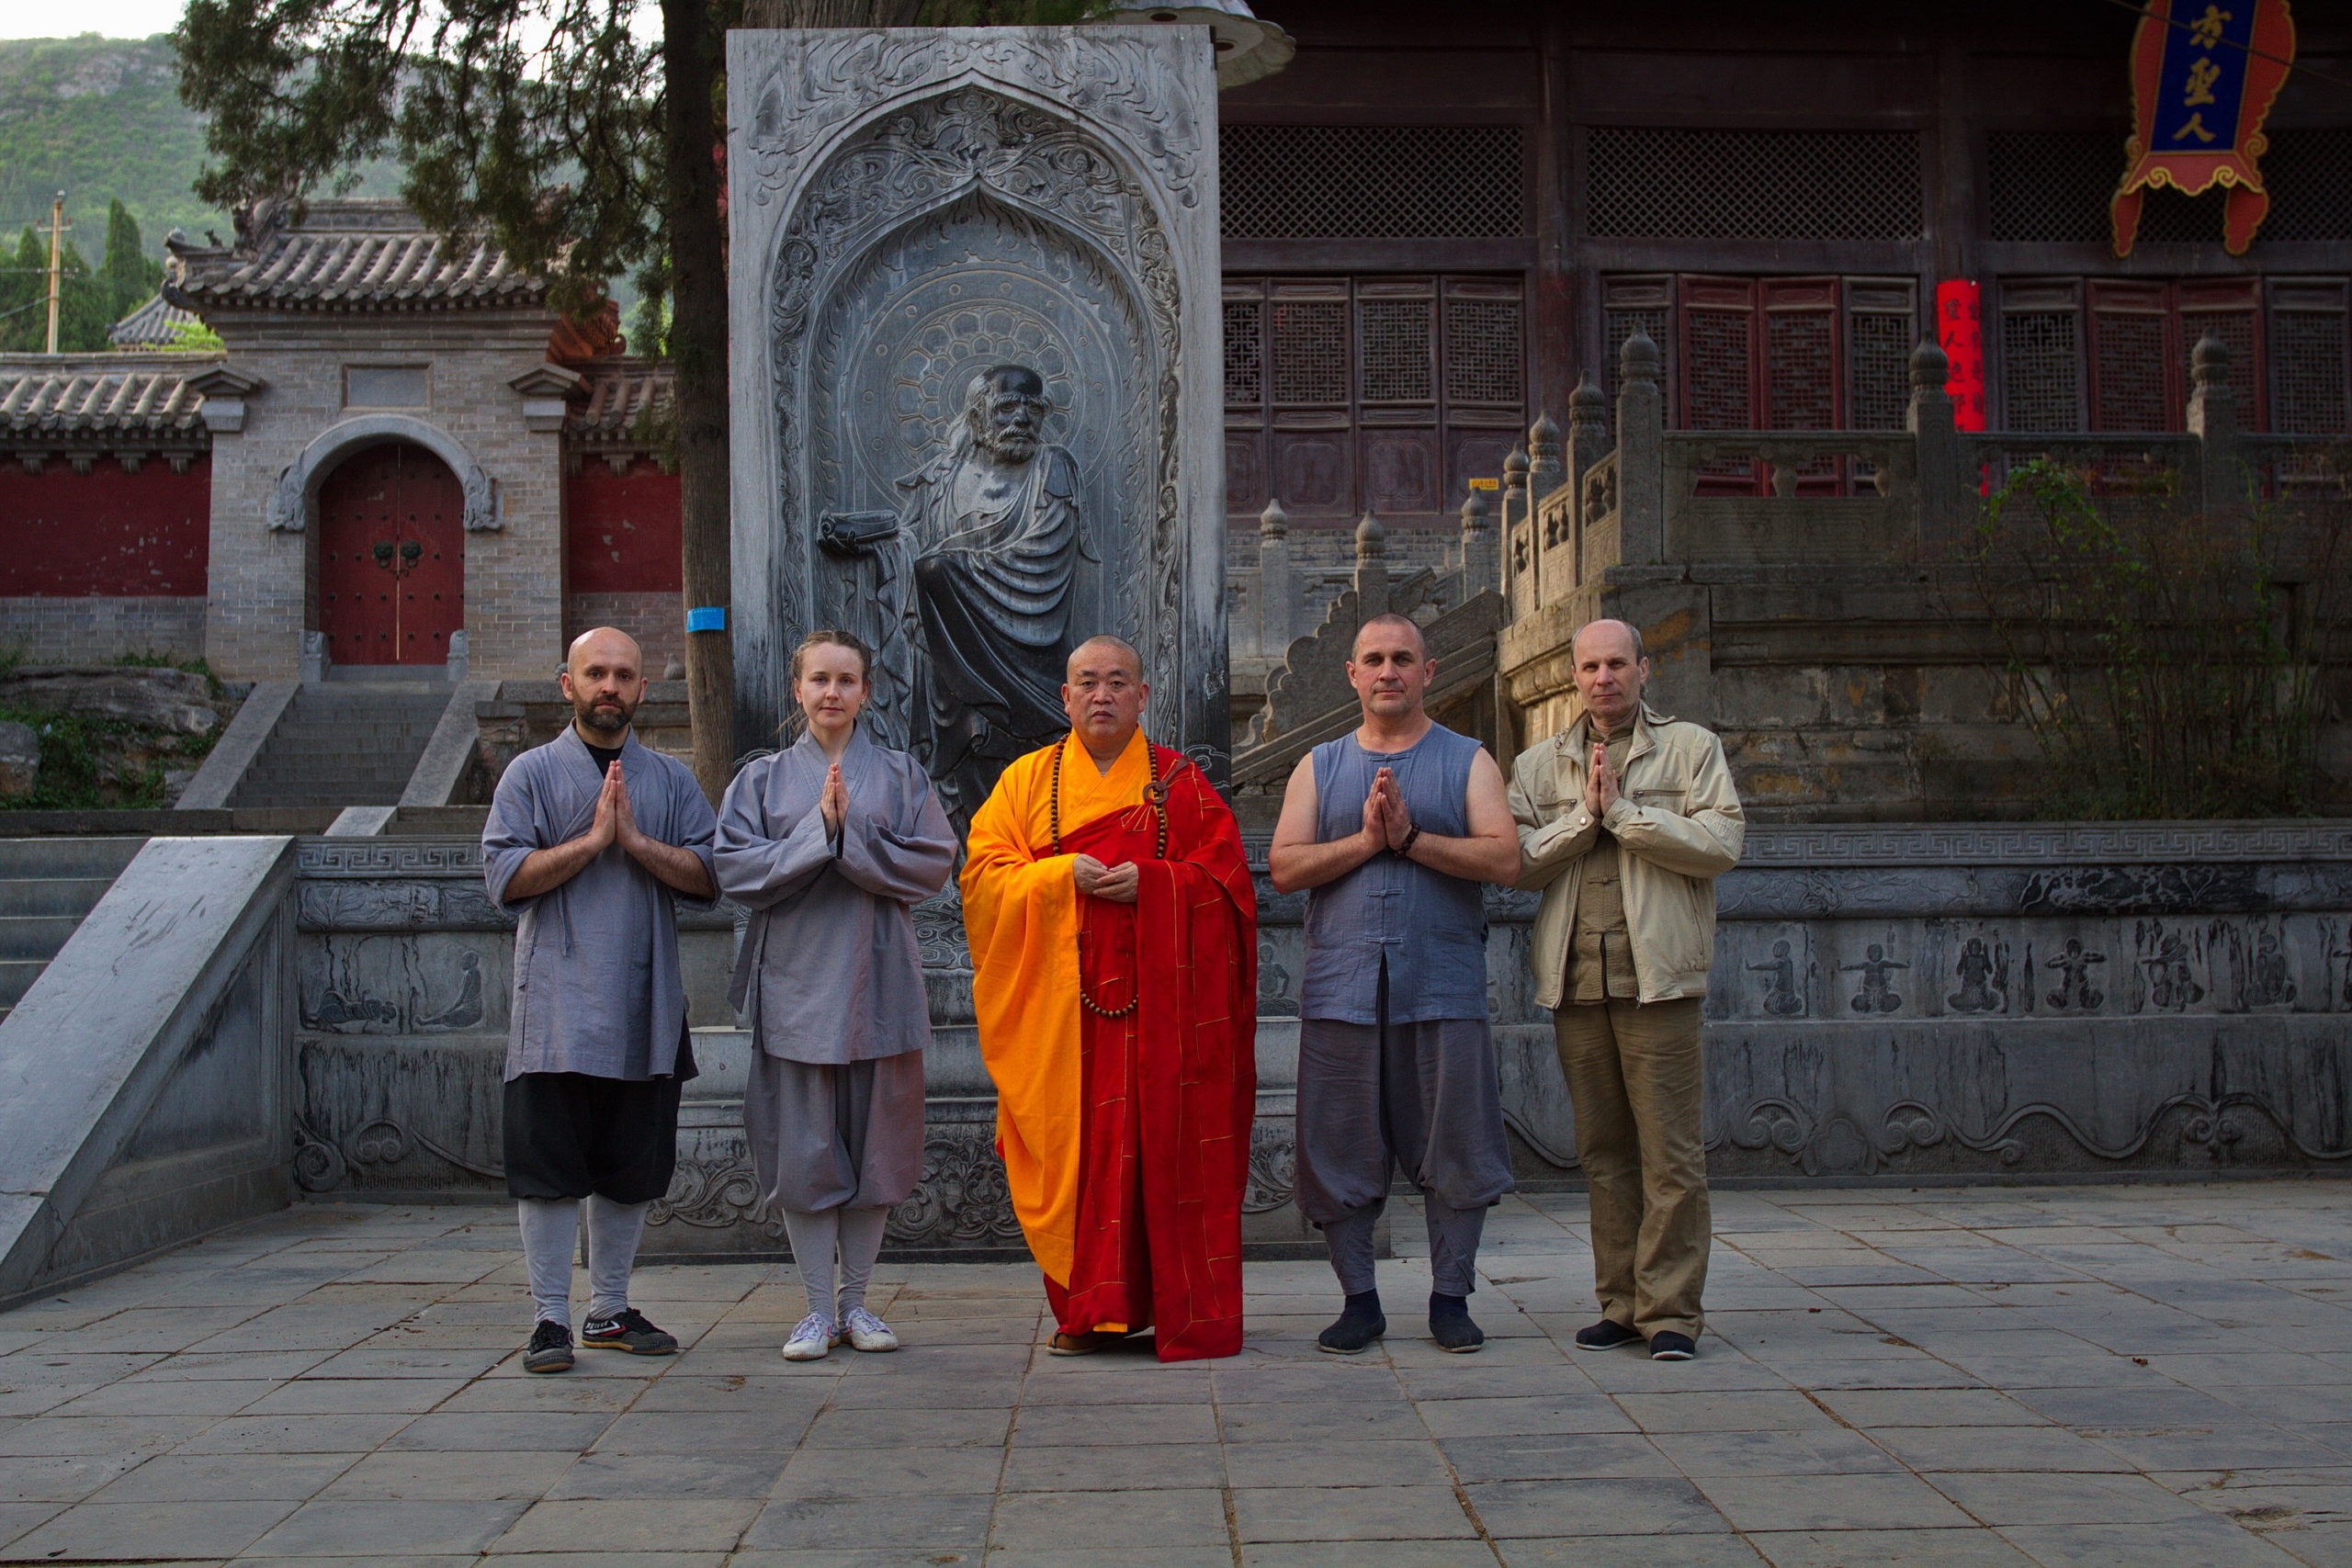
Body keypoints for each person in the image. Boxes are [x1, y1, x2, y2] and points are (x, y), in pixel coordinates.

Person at [960, 635, 1257, 1361]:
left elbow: (1229, 887)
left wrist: (1157, 885)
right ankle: (1087, 1311)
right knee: (1085, 1160)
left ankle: (1164, 1306)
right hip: (1064, 1019)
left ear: (1142, 696)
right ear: (1064, 697)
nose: (1102, 694)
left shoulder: (1178, 784)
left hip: (1163, 1020)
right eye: (1087, 682)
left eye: (1118, 682)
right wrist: (1059, 877)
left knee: (1159, 1156)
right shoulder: (1027, 782)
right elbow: (982, 877)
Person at [1269, 614, 1521, 1356]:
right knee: (1338, 1143)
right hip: (1342, 987)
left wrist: (1412, 840)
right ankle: (1360, 1300)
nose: (1388, 671)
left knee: (1457, 1141)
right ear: (1352, 674)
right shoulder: (1318, 765)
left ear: (1428, 671)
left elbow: (1504, 858)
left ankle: (1451, 1298)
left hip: (1440, 982)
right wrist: (1367, 842)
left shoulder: (1469, 759)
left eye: (1402, 659)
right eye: (1374, 659)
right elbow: (1284, 867)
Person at [482, 627, 718, 1373]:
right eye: (595, 673)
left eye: (623, 674)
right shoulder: (529, 773)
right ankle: (550, 1317)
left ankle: (609, 1307)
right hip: (554, 1003)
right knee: (549, 1168)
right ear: (568, 684)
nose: (609, 685)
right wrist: (589, 843)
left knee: (630, 1166)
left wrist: (636, 842)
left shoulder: (671, 781)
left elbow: (712, 878)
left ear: (643, 689)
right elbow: (504, 879)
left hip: (644, 999)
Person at [716, 629, 956, 1362]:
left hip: (879, 980)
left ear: (866, 691)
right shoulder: (758, 781)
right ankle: (817, 1310)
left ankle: (858, 1304)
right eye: (818, 679)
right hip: (796, 985)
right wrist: (817, 833)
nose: (831, 693)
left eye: (846, 680)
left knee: (875, 1148)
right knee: (805, 1151)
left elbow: (934, 863)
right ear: (798, 690)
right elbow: (734, 867)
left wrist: (850, 839)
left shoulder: (901, 774)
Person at [1509, 618, 1743, 1362]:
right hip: (1577, 980)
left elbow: (1721, 844)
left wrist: (1628, 816)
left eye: (1617, 664)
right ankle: (1620, 1301)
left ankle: (1671, 1310)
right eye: (1589, 666)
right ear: (1572, 677)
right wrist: (1584, 818)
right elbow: (1516, 860)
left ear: (1645, 669)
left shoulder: (1690, 748)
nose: (1603, 678)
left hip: (1658, 981)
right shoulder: (1540, 763)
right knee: (1603, 1151)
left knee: (1670, 1154)